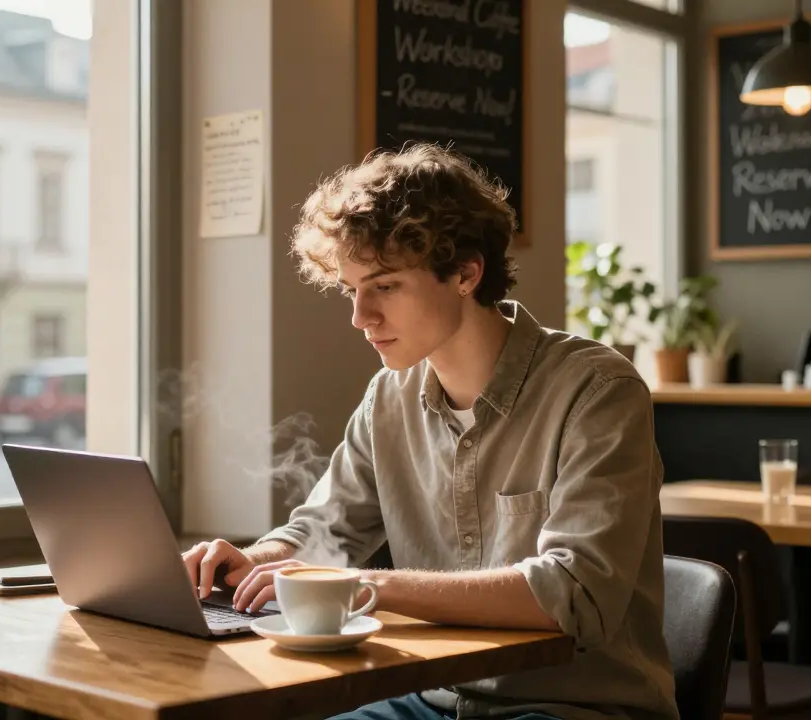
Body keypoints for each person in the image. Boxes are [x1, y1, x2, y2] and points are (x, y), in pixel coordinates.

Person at [180, 143, 678, 720]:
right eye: (351, 289)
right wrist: (257, 562)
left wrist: (365, 585)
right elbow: (324, 531)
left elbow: (573, 595)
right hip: (433, 702)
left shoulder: (597, 391)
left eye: (385, 286)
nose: (360, 317)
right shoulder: (387, 399)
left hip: (570, 706)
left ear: (466, 273)